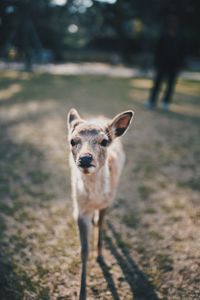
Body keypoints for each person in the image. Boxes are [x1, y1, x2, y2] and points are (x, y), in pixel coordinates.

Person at [146, 14, 185, 111]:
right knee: (157, 83)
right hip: (162, 64)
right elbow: (157, 50)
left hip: (174, 65)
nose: (173, 23)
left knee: (170, 85)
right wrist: (156, 64)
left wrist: (180, 65)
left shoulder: (180, 36)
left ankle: (165, 102)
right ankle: (152, 101)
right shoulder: (163, 35)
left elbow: (182, 52)